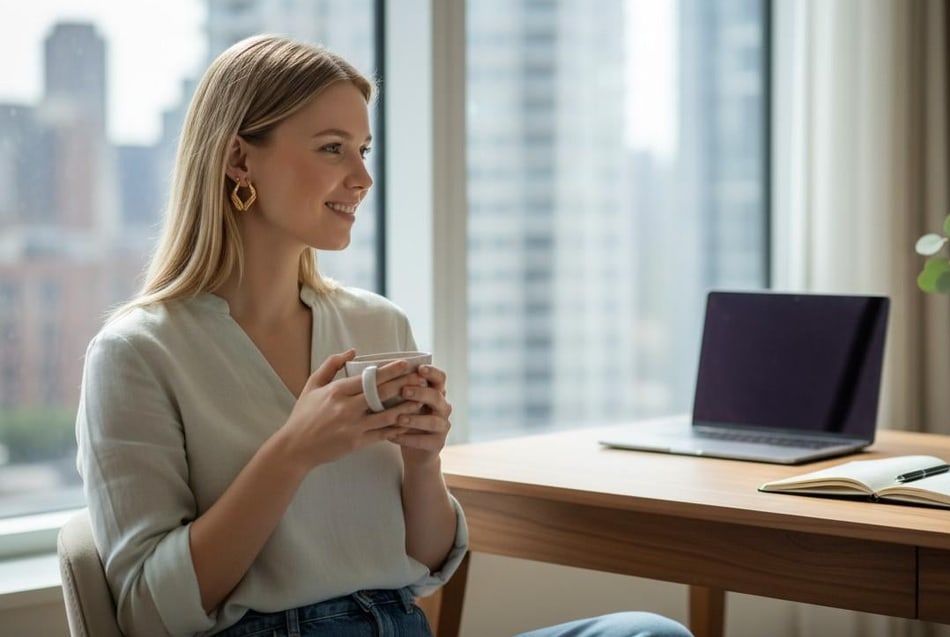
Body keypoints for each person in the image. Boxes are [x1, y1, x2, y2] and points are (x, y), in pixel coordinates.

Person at [76, 35, 691, 637]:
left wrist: (425, 464)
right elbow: (148, 613)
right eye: (332, 148)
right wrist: (293, 452)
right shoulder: (137, 353)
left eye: (363, 150)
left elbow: (424, 566)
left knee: (647, 632)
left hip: (400, 623)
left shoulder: (376, 323)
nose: (362, 178)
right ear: (240, 159)